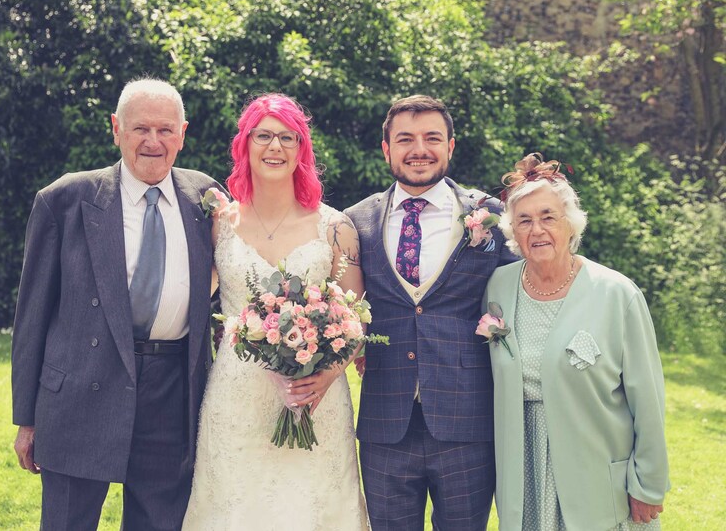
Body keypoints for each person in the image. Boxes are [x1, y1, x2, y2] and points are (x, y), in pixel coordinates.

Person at [11, 78, 223, 530]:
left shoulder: (205, 198)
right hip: (79, 393)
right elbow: (31, 317)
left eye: (165, 130)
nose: (153, 141)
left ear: (183, 133)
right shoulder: (65, 199)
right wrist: (26, 420)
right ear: (116, 128)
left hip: (172, 393)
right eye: (140, 128)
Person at [182, 93, 369, 530]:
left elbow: (357, 319)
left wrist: (325, 375)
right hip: (237, 395)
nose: (275, 147)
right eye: (263, 135)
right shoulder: (219, 224)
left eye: (288, 137)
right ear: (244, 145)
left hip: (315, 395)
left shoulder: (335, 227)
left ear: (302, 150)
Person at [345, 95, 517, 530]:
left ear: (450, 147)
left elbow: (523, 294)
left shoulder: (491, 214)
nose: (418, 149)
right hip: (387, 421)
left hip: (467, 419)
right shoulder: (356, 221)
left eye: (431, 138)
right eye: (405, 139)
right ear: (386, 149)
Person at [484, 153, 669, 530]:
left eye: (548, 217)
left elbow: (647, 399)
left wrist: (648, 484)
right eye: (524, 221)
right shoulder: (499, 286)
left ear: (570, 223)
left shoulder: (617, 294)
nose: (537, 230)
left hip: (594, 467)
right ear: (512, 232)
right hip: (524, 465)